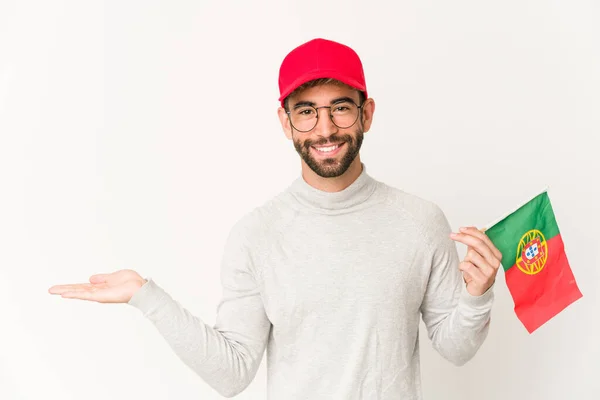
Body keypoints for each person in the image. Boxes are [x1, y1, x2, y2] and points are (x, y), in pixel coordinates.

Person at [48, 38, 502, 399]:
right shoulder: (256, 235)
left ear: (366, 114)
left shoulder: (419, 220)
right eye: (306, 112)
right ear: (286, 123)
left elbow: (456, 348)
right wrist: (146, 296)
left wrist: (477, 295)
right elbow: (232, 374)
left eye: (340, 107)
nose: (325, 129)